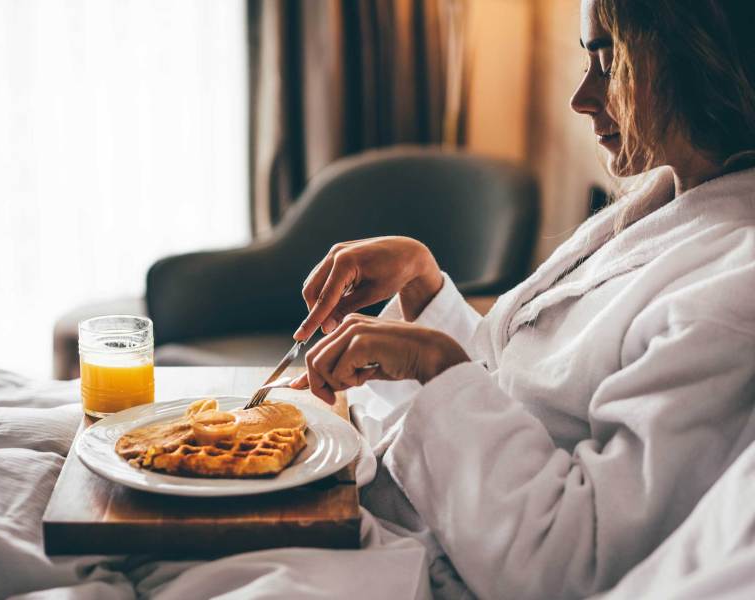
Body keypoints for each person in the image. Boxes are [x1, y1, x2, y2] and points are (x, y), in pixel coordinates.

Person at [288, 0, 755, 598]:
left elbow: (574, 564)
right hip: (396, 513)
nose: (582, 99)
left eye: (611, 64)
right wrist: (423, 284)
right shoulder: (665, 196)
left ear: (698, 62)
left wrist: (434, 365)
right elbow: (517, 386)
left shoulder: (731, 300)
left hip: (425, 569)